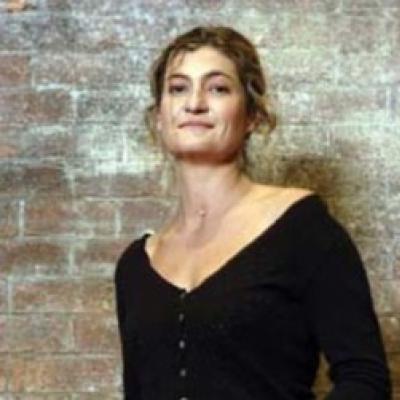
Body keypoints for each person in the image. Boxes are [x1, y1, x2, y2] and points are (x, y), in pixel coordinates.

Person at [114, 26, 391, 400]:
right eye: (178, 88)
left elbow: (365, 379)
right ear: (159, 117)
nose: (194, 103)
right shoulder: (135, 266)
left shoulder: (301, 228)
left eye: (218, 88)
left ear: (253, 116)